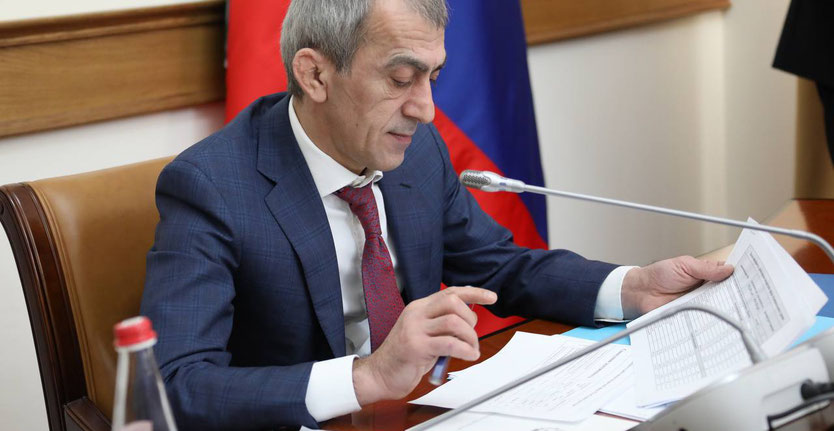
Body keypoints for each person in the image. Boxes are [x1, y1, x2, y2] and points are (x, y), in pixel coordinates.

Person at [140, 0, 734, 429]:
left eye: (434, 76)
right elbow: (175, 385)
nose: (425, 109)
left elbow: (498, 265)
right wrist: (369, 376)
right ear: (315, 74)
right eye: (401, 78)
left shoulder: (417, 150)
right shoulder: (212, 187)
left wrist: (632, 287)